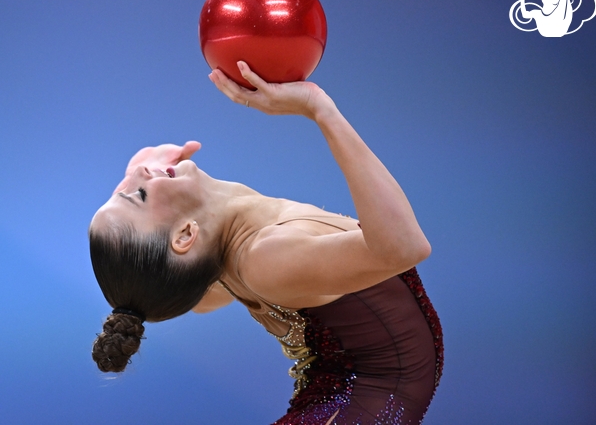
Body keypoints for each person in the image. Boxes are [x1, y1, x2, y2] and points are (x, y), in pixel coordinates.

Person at [89, 62, 443, 424]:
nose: (136, 173)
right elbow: (404, 247)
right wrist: (320, 110)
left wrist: (143, 183)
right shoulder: (266, 257)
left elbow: (189, 295)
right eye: (137, 195)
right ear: (184, 236)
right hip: (354, 407)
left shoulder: (211, 268)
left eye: (120, 190)